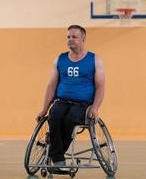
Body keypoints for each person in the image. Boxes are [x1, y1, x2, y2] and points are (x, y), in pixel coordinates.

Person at [36, 25, 105, 168]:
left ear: (83, 39)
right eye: (68, 37)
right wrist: (44, 109)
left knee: (71, 119)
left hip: (83, 104)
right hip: (61, 101)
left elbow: (100, 87)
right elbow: (51, 86)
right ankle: (58, 156)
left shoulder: (95, 60)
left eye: (74, 37)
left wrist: (95, 108)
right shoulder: (59, 59)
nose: (70, 40)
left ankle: (57, 154)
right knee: (54, 116)